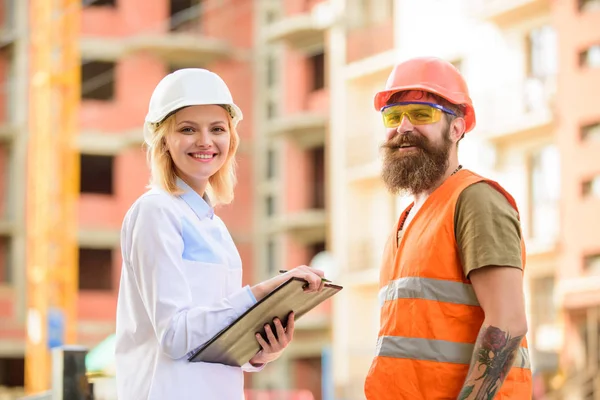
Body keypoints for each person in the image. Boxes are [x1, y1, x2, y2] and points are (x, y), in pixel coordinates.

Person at [115, 68, 326, 400]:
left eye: (217, 129)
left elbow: (214, 337)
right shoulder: (155, 211)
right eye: (188, 129)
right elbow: (175, 334)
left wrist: (258, 351)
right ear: (164, 139)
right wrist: (260, 293)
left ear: (231, 138)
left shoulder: (214, 226)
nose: (205, 141)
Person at [363, 57, 532, 399]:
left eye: (422, 114)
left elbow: (508, 321)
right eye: (393, 116)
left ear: (457, 128)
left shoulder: (475, 200)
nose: (404, 127)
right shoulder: (408, 218)